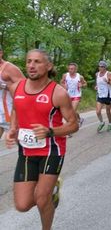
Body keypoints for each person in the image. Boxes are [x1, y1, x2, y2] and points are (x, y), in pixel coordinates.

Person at [5, 49, 78, 230]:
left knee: (41, 199)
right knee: (22, 205)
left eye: (37, 62)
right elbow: (16, 109)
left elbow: (74, 124)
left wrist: (50, 131)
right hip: (27, 151)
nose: (31, 65)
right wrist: (13, 128)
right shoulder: (17, 88)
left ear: (48, 66)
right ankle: (53, 190)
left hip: (51, 150)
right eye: (29, 61)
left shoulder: (58, 93)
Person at [0, 46, 25, 139]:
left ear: (1, 53)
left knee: (21, 142)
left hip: (10, 111)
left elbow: (25, 87)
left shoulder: (9, 68)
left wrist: (3, 86)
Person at [60, 63, 87, 129]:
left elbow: (85, 84)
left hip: (77, 95)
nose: (70, 70)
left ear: (75, 69)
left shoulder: (80, 77)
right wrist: (63, 85)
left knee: (71, 111)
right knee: (71, 111)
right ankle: (79, 119)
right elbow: (61, 82)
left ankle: (68, 128)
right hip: (68, 95)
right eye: (69, 68)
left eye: (72, 69)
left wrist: (82, 85)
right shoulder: (65, 75)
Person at [95, 60, 111, 133]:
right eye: (99, 66)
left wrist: (107, 81)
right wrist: (96, 86)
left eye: (102, 67)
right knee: (98, 111)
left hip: (108, 95)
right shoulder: (97, 74)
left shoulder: (108, 74)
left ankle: (110, 124)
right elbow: (98, 83)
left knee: (108, 111)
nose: (100, 68)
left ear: (105, 67)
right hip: (100, 95)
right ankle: (101, 122)